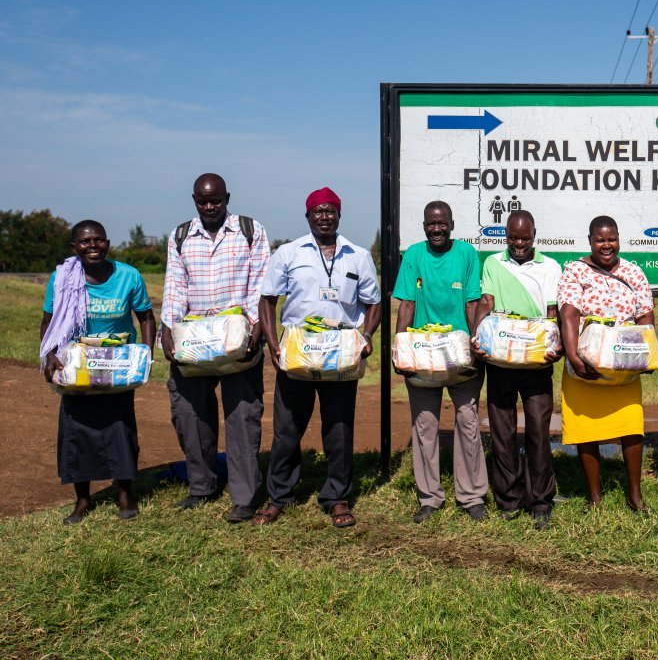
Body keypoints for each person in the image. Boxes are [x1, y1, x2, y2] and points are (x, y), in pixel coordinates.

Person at [253, 188, 382, 528]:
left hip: (340, 354)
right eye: (317, 211)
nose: (324, 216)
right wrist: (271, 343)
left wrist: (366, 337)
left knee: (339, 428)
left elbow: (374, 303)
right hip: (298, 351)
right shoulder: (288, 253)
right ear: (307, 216)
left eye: (330, 211)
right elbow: (267, 300)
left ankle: (336, 497)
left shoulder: (357, 255)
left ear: (339, 215)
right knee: (287, 429)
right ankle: (279, 496)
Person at [160, 173, 270, 524]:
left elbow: (260, 283)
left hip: (238, 340)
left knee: (242, 418)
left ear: (227, 198)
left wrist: (256, 326)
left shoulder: (251, 230)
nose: (209, 207)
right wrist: (167, 329)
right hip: (194, 340)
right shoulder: (180, 236)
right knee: (189, 416)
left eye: (216, 201)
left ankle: (244, 496)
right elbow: (176, 285)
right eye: (202, 201)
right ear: (194, 199)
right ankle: (201, 486)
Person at [39, 221, 156, 524]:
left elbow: (145, 316)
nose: (93, 246)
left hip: (117, 366)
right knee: (77, 430)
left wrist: (145, 355)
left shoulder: (128, 275)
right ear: (73, 247)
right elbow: (49, 321)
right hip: (76, 365)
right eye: (85, 241)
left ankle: (125, 493)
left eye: (99, 240)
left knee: (120, 428)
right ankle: (82, 500)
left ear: (107, 243)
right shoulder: (63, 277)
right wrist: (49, 355)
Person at [394, 201, 488, 524]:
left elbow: (473, 303)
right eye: (431, 223)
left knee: (467, 421)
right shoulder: (414, 257)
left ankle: (472, 496)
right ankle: (430, 497)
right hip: (422, 354)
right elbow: (406, 304)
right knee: (425, 426)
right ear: (423, 226)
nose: (437, 228)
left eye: (442, 222)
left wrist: (476, 344)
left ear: (451, 223)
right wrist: (400, 347)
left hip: (460, 354)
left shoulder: (466, 255)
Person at [557, 215, 655, 513]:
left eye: (611, 238)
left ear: (618, 238)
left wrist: (648, 353)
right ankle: (595, 498)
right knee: (587, 430)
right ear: (589, 240)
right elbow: (569, 313)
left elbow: (645, 316)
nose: (606, 244)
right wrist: (573, 355)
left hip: (624, 366)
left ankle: (635, 496)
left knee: (630, 427)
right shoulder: (575, 271)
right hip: (586, 365)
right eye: (600, 239)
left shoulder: (633, 272)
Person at [472, 210, 562, 529]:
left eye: (525, 237)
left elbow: (552, 312)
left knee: (538, 428)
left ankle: (539, 500)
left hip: (537, 360)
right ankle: (508, 498)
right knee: (502, 429)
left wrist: (556, 344)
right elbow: (486, 302)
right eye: (513, 237)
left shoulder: (550, 267)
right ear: (505, 235)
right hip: (501, 359)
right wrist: (476, 337)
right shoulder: (493, 264)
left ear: (534, 235)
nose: (519, 244)